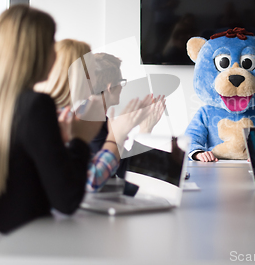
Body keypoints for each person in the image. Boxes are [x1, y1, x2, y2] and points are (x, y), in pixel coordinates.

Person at [0, 5, 104, 264]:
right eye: (50, 45)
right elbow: (67, 200)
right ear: (34, 52)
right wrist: (81, 139)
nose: (55, 58)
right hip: (20, 245)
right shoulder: (35, 105)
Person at [35, 44, 165, 191]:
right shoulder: (88, 120)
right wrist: (144, 129)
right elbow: (127, 172)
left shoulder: (97, 118)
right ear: (109, 87)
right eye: (121, 82)